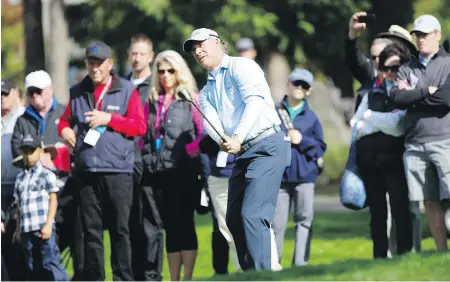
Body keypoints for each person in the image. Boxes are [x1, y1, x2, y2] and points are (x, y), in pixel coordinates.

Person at [183, 28, 290, 271]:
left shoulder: (242, 66)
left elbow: (255, 101)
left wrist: (237, 136)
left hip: (267, 146)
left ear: (219, 44)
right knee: (233, 219)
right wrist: (224, 139)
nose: (198, 51)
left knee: (253, 215)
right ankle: (249, 272)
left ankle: (264, 274)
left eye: (202, 44)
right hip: (243, 153)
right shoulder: (207, 90)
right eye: (193, 49)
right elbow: (211, 123)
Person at [58, 40, 147, 280]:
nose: (94, 68)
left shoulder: (126, 89)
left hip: (117, 170)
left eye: (99, 63)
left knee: (120, 230)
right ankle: (96, 278)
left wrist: (109, 118)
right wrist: (64, 130)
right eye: (91, 63)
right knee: (91, 232)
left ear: (109, 64)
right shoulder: (77, 91)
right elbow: (65, 120)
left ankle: (123, 278)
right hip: (86, 172)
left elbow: (139, 126)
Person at [141, 50, 203, 281]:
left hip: (184, 171)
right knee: (169, 227)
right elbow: (143, 135)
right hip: (158, 172)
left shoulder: (190, 98)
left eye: (170, 70)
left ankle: (187, 277)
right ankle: (174, 278)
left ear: (179, 72)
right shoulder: (152, 101)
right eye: (161, 71)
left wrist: (188, 150)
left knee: (184, 222)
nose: (165, 75)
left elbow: (202, 132)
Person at [390, 14, 450, 252]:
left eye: (425, 35)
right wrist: (427, 91)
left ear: (437, 36)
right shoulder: (406, 67)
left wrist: (414, 96)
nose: (420, 39)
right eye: (417, 35)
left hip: (444, 139)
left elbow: (445, 100)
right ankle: (441, 252)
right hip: (415, 143)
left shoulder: (447, 64)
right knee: (429, 201)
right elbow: (397, 98)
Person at [351, 44, 413, 258]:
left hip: (395, 160)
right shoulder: (373, 91)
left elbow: (398, 126)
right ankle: (379, 256)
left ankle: (404, 254)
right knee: (377, 213)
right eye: (385, 68)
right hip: (370, 161)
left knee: (400, 209)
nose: (389, 73)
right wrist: (376, 121)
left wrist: (370, 118)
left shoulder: (406, 91)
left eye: (395, 68)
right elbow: (356, 125)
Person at [272, 68, 327, 266]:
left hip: (305, 177)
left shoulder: (311, 118)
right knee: (277, 223)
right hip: (279, 177)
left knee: (304, 220)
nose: (299, 88)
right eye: (296, 83)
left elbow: (320, 147)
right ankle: (274, 264)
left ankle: (300, 263)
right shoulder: (274, 113)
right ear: (288, 84)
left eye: (304, 86)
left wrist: (302, 140)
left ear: (309, 91)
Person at [126, 33, 163, 281]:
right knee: (128, 223)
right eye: (134, 53)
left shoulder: (156, 87)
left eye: (142, 54)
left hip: (149, 164)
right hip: (124, 164)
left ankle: (151, 275)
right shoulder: (121, 87)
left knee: (151, 223)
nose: (137, 58)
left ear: (150, 56)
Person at [13, 133, 69, 281]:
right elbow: (19, 205)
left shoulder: (47, 174)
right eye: (25, 152)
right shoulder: (19, 178)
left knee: (50, 262)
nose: (28, 155)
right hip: (26, 228)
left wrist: (49, 223)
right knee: (32, 265)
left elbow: (53, 200)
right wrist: (18, 229)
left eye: (32, 151)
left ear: (39, 150)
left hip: (42, 226)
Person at [1, 78, 27, 281]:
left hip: (21, 188)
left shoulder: (25, 118)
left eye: (5, 93)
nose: (2, 98)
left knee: (17, 241)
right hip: (1, 188)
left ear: (16, 93)